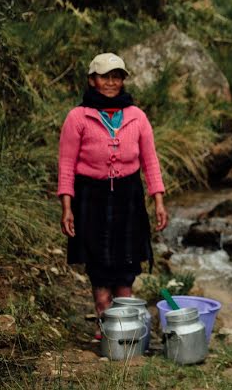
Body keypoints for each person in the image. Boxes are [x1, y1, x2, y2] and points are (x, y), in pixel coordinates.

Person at [57, 52, 168, 336]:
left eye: (116, 77)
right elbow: (67, 164)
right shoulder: (78, 117)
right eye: (105, 77)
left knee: (127, 256)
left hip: (127, 196)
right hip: (91, 198)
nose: (111, 82)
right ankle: (104, 318)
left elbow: (150, 161)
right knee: (98, 258)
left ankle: (126, 321)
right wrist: (67, 206)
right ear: (92, 80)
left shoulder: (136, 117)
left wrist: (158, 200)